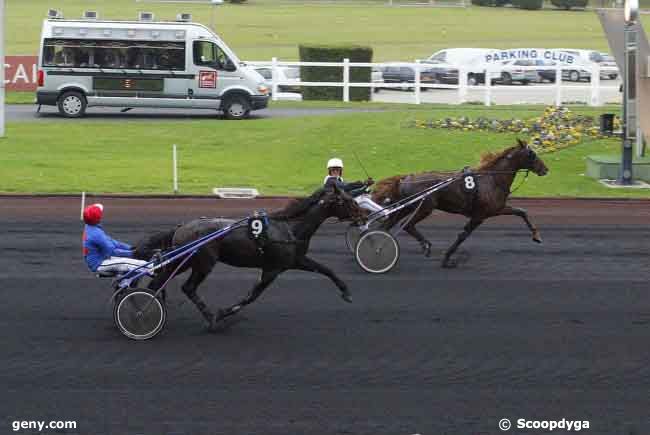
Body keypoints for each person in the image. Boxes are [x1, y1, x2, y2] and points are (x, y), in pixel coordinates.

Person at [82, 203, 152, 276]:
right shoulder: (95, 234)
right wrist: (133, 253)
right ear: (98, 218)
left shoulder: (91, 226)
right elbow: (112, 252)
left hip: (103, 257)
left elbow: (113, 242)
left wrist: (131, 248)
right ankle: (154, 268)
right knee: (126, 262)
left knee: (133, 260)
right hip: (99, 264)